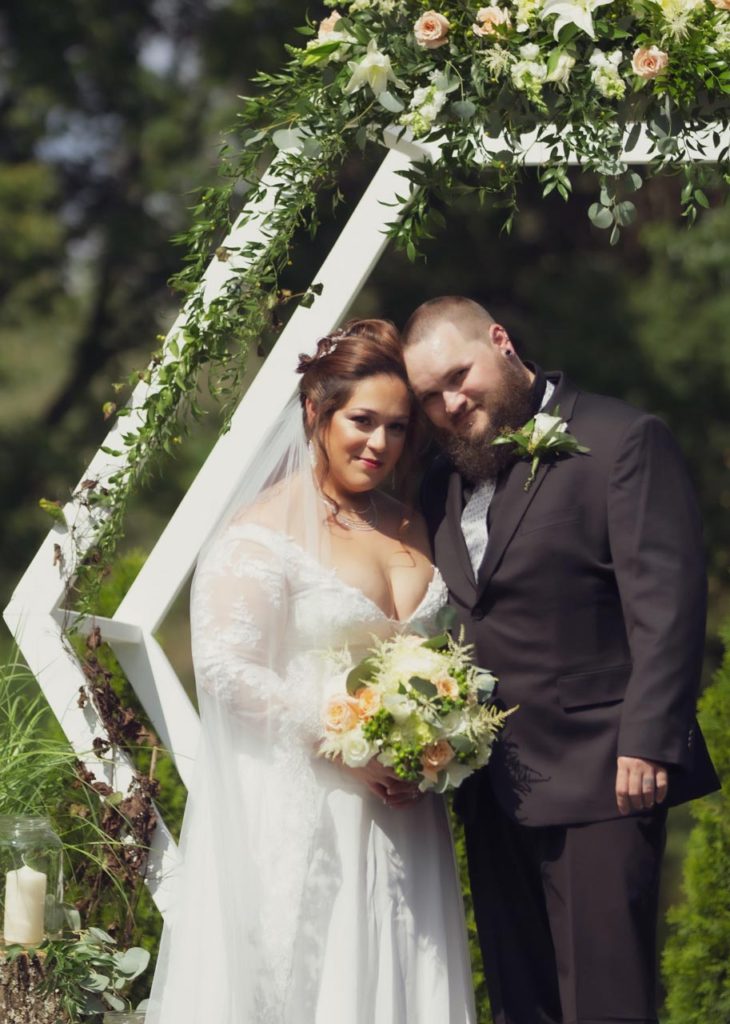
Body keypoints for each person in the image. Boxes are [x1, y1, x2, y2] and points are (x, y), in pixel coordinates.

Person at [145, 319, 477, 1024]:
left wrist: (438, 735)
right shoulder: (261, 532)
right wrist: (346, 741)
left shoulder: (411, 523)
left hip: (407, 812)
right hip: (318, 802)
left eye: (396, 427)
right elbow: (227, 668)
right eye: (361, 421)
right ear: (314, 412)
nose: (380, 444)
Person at [401, 296, 720, 1024]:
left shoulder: (621, 439)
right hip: (493, 788)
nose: (451, 403)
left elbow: (665, 605)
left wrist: (647, 741)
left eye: (460, 375)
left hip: (604, 775)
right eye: (430, 397)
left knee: (606, 1003)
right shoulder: (440, 481)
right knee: (523, 1003)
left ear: (501, 342)